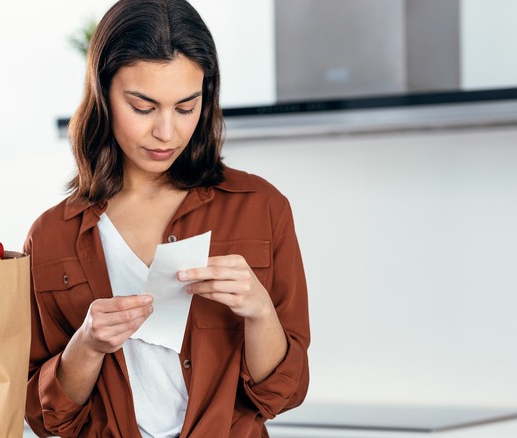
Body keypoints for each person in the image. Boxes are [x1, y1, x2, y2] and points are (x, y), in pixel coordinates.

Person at [23, 0, 309, 436]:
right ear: (103, 94)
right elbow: (47, 418)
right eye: (142, 107)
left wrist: (259, 313)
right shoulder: (50, 237)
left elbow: (280, 395)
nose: (166, 132)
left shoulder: (261, 207)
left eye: (185, 106)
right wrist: (88, 344)